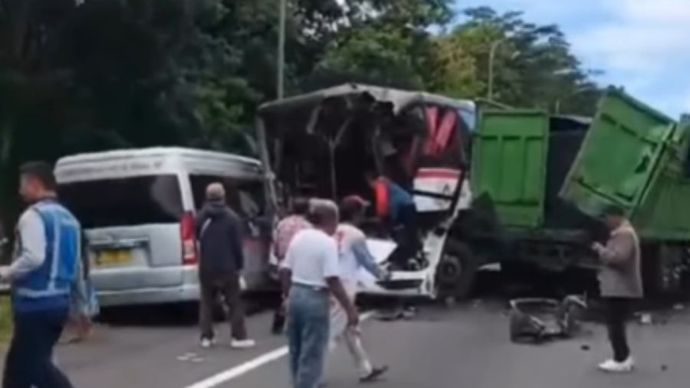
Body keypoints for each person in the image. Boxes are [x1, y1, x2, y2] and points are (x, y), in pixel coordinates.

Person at [0, 161, 81, 388]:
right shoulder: (69, 219)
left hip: (35, 304)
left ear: (35, 184)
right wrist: (81, 308)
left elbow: (34, 257)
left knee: (31, 368)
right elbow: (77, 268)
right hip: (59, 304)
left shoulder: (32, 216)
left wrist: (6, 273)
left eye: (22, 185)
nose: (19, 191)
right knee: (23, 368)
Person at [280, 200, 359, 388]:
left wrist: (286, 295)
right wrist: (350, 309)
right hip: (315, 296)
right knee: (313, 349)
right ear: (331, 220)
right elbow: (332, 279)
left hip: (296, 292)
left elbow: (285, 270)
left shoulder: (299, 237)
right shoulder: (327, 243)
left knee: (296, 348)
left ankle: (297, 383)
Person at [330, 195, 389, 383]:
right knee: (331, 333)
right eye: (362, 209)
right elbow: (367, 261)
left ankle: (365, 369)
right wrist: (384, 275)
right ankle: (308, 373)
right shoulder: (356, 234)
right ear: (356, 213)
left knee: (350, 329)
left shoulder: (332, 230)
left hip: (331, 282)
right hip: (344, 286)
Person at [196, 183, 254, 349]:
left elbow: (197, 238)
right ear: (223, 196)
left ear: (207, 197)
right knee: (234, 302)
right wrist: (239, 266)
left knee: (206, 302)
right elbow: (237, 245)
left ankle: (206, 337)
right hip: (228, 266)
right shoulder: (232, 218)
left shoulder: (201, 217)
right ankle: (238, 337)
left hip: (206, 265)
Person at [591, 205, 643, 373]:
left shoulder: (624, 234)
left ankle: (621, 358)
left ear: (616, 217)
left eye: (607, 217)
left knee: (615, 324)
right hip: (619, 288)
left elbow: (619, 258)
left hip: (620, 289)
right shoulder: (623, 233)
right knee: (616, 324)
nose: (606, 222)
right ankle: (622, 357)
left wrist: (601, 250)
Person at [271, 197, 312, 334]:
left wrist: (278, 257)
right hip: (302, 263)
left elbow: (276, 242)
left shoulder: (282, 224)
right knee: (303, 293)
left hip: (284, 262)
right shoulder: (308, 226)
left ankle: (279, 320)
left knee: (287, 293)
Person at [365, 173, 420, 269]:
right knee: (410, 233)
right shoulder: (386, 182)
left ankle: (403, 259)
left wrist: (381, 220)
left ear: (370, 180)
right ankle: (412, 254)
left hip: (404, 208)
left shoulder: (380, 184)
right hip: (408, 205)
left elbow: (383, 205)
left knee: (403, 234)